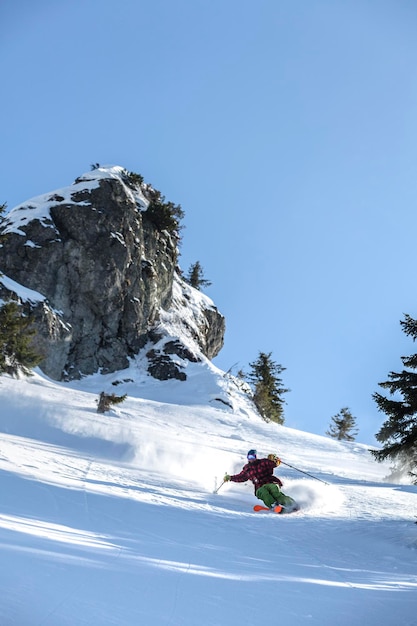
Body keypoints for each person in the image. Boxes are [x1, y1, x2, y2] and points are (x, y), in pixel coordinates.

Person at [224, 449, 299, 513]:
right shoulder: (247, 469)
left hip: (270, 482)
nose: (251, 459)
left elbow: (274, 464)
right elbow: (241, 477)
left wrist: (274, 459)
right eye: (249, 457)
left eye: (252, 457)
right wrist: (230, 478)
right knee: (263, 492)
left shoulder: (263, 462)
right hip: (259, 487)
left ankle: (292, 504)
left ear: (256, 457)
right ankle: (274, 506)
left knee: (276, 493)